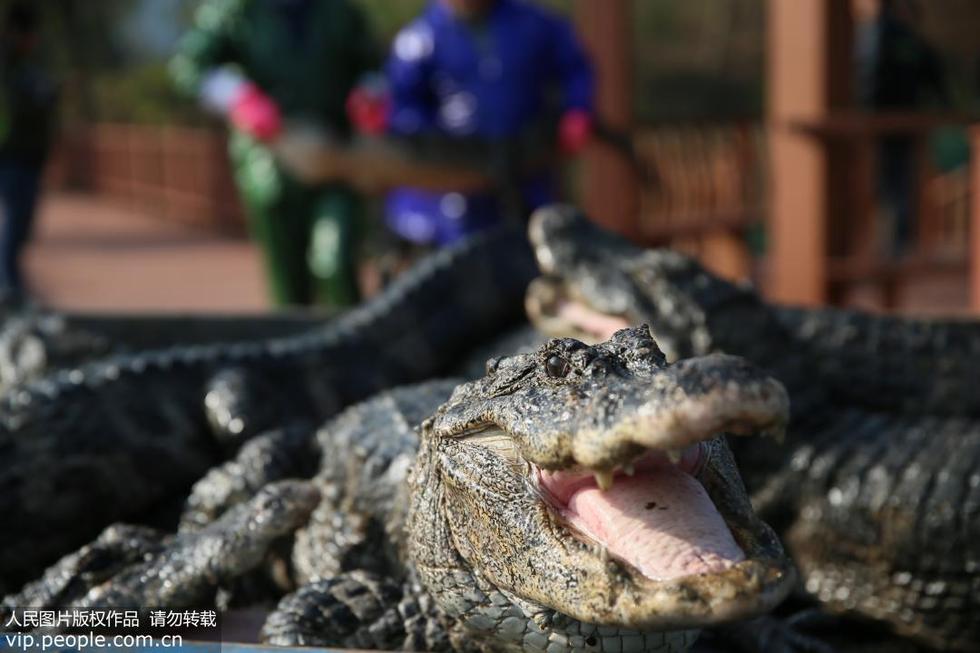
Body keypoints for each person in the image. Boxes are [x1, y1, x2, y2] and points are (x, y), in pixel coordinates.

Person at [171, 0, 375, 307]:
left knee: (336, 261)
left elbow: (371, 63)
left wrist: (371, 93)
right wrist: (237, 96)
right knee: (289, 282)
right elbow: (189, 65)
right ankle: (295, 349)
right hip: (269, 157)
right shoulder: (234, 11)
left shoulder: (337, 11)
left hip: (334, 153)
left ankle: (357, 347)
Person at [371, 0, 594, 248]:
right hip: (453, 175)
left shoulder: (533, 22)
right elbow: (401, 103)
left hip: (524, 164)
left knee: (537, 240)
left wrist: (577, 110)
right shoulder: (422, 36)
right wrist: (427, 143)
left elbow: (575, 68)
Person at [857, 0, 949, 255]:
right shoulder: (883, 38)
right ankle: (890, 245)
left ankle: (893, 246)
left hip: (890, 127)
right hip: (879, 128)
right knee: (888, 186)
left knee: (892, 186)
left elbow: (931, 73)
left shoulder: (881, 38)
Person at [0, 3, 57, 305]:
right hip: (12, 156)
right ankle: (9, 287)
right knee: (14, 223)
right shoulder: (9, 65)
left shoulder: (24, 64)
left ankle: (12, 284)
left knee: (21, 225)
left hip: (27, 157)